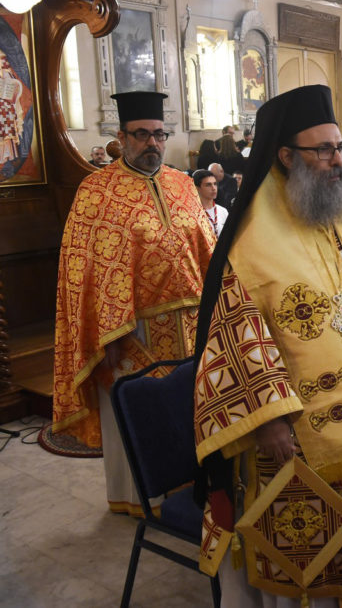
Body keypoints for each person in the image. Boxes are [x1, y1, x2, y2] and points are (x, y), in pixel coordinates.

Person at [192, 85, 342, 606]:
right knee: (314, 559)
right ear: (284, 156)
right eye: (321, 150)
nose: (336, 161)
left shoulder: (341, 213)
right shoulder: (254, 235)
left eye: (339, 149)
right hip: (298, 433)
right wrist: (268, 419)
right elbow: (235, 333)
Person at [52, 91, 215, 514]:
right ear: (121, 137)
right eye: (142, 135)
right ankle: (137, 498)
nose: (153, 144)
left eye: (159, 135)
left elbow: (206, 250)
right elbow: (84, 270)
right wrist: (100, 333)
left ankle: (194, 487)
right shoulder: (96, 192)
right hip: (128, 330)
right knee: (139, 408)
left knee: (187, 407)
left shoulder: (181, 183)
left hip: (191, 323)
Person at [192, 169, 228, 238]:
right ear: (197, 188)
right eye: (208, 185)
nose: (213, 188)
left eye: (215, 184)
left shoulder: (223, 211)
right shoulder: (193, 213)